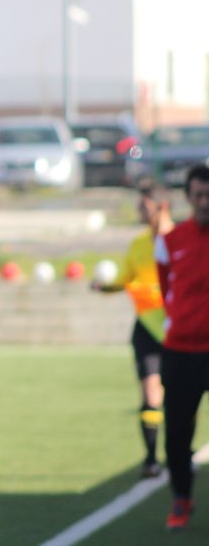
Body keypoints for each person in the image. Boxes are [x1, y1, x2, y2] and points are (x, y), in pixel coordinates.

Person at [92, 181, 174, 478]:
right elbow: (127, 278)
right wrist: (106, 287)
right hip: (147, 328)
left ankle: (179, 452)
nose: (139, 209)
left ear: (161, 207)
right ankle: (151, 459)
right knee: (150, 392)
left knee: (180, 396)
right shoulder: (139, 244)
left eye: (144, 205)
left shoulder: (180, 240)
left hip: (177, 328)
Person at [155, 164, 209, 530]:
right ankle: (181, 497)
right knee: (176, 433)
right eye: (198, 195)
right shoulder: (170, 241)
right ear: (189, 197)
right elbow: (166, 291)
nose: (205, 202)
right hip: (181, 353)